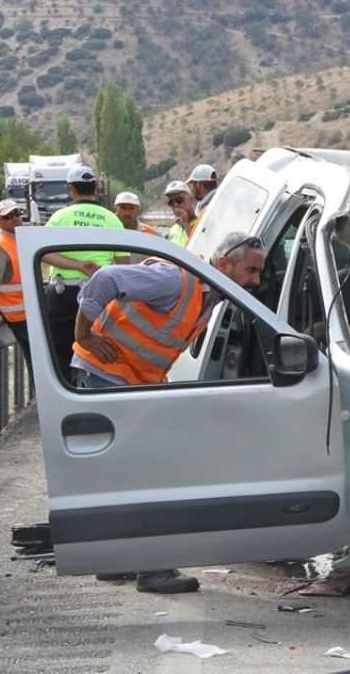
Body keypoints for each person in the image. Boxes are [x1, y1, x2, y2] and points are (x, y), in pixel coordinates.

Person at [76, 232, 266, 593]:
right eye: (251, 270)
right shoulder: (175, 279)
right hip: (110, 376)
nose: (255, 281)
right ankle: (153, 569)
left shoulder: (210, 294)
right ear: (224, 263)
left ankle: (114, 560)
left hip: (129, 381)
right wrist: (84, 334)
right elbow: (105, 278)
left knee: (124, 474)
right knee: (150, 474)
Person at [41, 165, 129, 379]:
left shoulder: (59, 217)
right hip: (101, 296)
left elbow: (43, 254)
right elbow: (124, 265)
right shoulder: (113, 220)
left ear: (71, 189)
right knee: (98, 352)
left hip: (63, 295)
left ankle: (65, 399)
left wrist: (77, 266)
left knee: (60, 355)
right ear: (95, 187)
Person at [0, 199, 33, 374]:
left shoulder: (21, 240)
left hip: (30, 313)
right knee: (39, 364)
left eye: (17, 214)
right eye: (8, 216)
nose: (15, 219)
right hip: (18, 316)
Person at [163, 180, 195, 247]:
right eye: (171, 202)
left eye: (179, 200)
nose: (175, 205)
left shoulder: (201, 221)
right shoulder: (173, 229)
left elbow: (202, 245)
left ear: (192, 200)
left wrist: (186, 224)